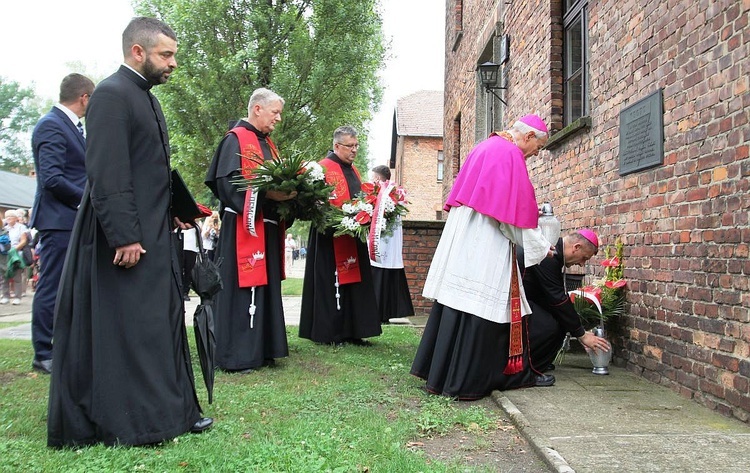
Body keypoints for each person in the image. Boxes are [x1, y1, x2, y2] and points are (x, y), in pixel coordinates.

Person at [47, 17, 212, 448]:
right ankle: (136, 420)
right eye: (166, 54)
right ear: (137, 52)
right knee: (132, 327)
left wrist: (178, 210)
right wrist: (123, 235)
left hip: (154, 229)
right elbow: (107, 172)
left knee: (158, 323)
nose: (173, 63)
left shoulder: (147, 99)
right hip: (123, 238)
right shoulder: (111, 95)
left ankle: (170, 411)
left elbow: (150, 168)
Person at [411, 115, 556, 400]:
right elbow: (512, 220)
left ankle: (443, 377)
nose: (536, 154)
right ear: (527, 137)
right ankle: (470, 381)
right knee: (484, 307)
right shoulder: (510, 155)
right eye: (538, 147)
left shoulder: (486, 147)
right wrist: (542, 246)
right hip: (484, 245)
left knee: (460, 305)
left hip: (466, 241)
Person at [205, 87, 294, 372]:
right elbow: (227, 184)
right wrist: (268, 196)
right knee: (241, 290)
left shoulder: (269, 144)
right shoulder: (236, 140)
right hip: (242, 228)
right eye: (275, 112)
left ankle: (263, 348)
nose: (278, 118)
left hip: (265, 228)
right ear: (257, 109)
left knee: (264, 287)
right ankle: (238, 354)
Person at [29, 73, 94, 375]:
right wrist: (87, 200)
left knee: (72, 286)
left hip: (72, 220)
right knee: (52, 286)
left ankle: (66, 346)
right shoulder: (52, 126)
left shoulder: (74, 128)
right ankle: (43, 352)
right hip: (59, 221)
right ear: (84, 98)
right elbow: (52, 177)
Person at [299, 126, 382, 346]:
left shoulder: (353, 170)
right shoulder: (322, 168)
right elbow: (312, 202)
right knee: (331, 283)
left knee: (354, 284)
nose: (354, 150)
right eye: (350, 146)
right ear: (337, 146)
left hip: (352, 234)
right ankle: (331, 332)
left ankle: (353, 330)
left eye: (356, 145)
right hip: (329, 236)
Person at [520, 229, 611, 371]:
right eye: (584, 258)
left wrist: (577, 330)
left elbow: (554, 298)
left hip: (527, 298)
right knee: (549, 326)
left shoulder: (556, 252)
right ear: (577, 247)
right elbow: (557, 299)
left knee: (560, 322)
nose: (582, 264)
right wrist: (581, 334)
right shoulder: (549, 253)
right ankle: (527, 369)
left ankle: (538, 365)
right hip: (513, 300)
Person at [369, 165, 415, 323]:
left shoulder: (390, 194)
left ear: (379, 179)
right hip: (381, 242)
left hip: (385, 243)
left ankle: (382, 313)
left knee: (383, 275)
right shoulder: (382, 194)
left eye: (373, 177)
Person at [0, 210, 29, 306]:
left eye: (10, 217)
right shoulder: (5, 228)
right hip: (5, 254)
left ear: (16, 218)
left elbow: (23, 241)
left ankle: (17, 297)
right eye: (7, 217)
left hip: (16, 254)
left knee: (17, 276)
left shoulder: (21, 227)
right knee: (4, 276)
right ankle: (5, 296)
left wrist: (14, 249)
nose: (8, 219)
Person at [178, 222, 199, 301]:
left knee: (189, 271)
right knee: (179, 270)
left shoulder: (195, 224)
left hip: (191, 249)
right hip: (180, 247)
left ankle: (185, 291)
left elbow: (199, 231)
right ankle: (179, 290)